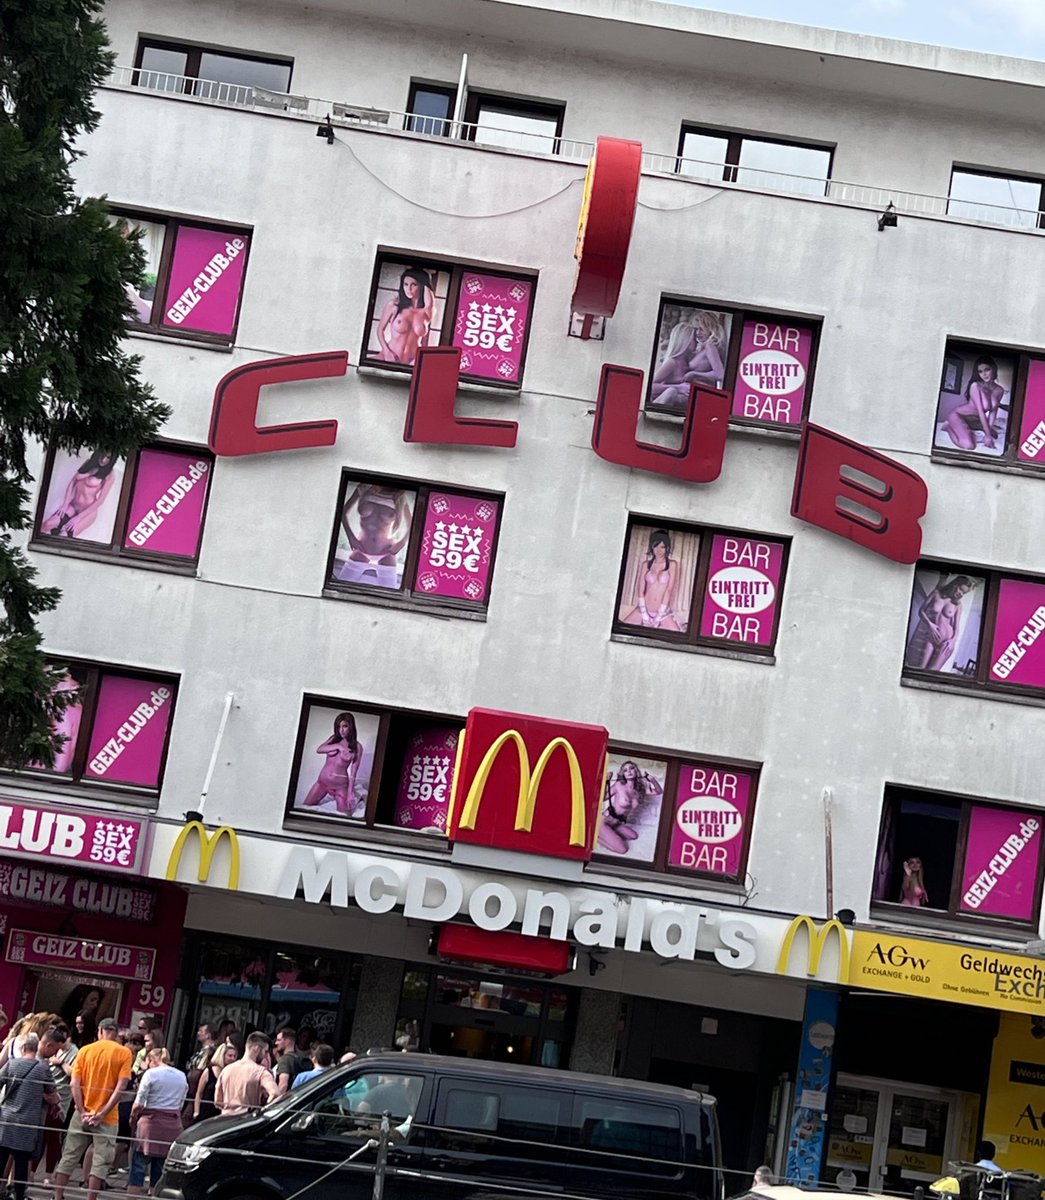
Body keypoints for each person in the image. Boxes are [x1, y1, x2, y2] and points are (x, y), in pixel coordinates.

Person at [52, 1017, 134, 1200]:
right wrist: (103, 1112)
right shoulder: (124, 1053)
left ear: (100, 1031)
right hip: (107, 1116)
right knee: (101, 1162)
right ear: (116, 1033)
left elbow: (74, 1082)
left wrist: (81, 1110)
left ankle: (57, 1196)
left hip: (82, 1112)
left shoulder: (85, 1050)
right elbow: (120, 1087)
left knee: (69, 1156)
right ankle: (91, 1198)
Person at [0, 1034, 58, 1200]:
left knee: (1, 1158)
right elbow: (53, 1095)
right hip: (28, 1121)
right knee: (22, 1161)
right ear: (36, 1047)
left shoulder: (11, 1064)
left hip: (7, 1118)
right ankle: (19, 1194)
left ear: (23, 1048)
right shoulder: (43, 1068)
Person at [128, 1048, 187, 1196]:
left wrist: (133, 1117)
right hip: (172, 1126)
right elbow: (180, 1104)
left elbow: (139, 1103)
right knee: (160, 1170)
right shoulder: (181, 1076)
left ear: (151, 1060)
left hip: (150, 1125)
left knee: (138, 1168)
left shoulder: (151, 1074)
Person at [337, 484, 413, 588]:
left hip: (386, 553)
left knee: (387, 595)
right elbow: (342, 512)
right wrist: (351, 537)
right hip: (361, 549)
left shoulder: (399, 496)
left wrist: (402, 543)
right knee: (340, 588)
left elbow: (413, 524)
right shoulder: (364, 487)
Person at [650, 311, 728, 409]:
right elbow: (652, 386)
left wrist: (694, 374)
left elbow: (720, 374)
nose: (698, 334)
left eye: (701, 329)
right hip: (690, 397)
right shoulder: (678, 360)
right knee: (671, 392)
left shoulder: (710, 347)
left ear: (710, 328)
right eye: (695, 333)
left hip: (701, 397)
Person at [40, 451, 119, 539]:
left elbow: (100, 500)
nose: (104, 460)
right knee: (48, 524)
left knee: (63, 536)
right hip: (74, 505)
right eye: (103, 455)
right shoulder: (89, 463)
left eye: (108, 458)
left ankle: (57, 535)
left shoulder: (109, 474)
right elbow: (72, 482)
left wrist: (78, 517)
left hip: (88, 511)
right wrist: (65, 504)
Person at [905, 575, 974, 673]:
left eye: (964, 593)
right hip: (932, 636)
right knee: (920, 668)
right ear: (955, 584)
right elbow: (921, 611)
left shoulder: (958, 605)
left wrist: (952, 641)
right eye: (961, 590)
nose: (961, 594)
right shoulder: (936, 594)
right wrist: (930, 625)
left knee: (932, 671)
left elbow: (956, 627)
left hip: (946, 643)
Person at [300, 712, 364, 815]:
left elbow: (353, 773)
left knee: (345, 816)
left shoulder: (357, 747)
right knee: (303, 809)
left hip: (340, 786)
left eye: (345, 726)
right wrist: (339, 747)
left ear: (351, 726)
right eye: (339, 727)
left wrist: (350, 793)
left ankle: (358, 798)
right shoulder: (334, 739)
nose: (341, 730)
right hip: (322, 783)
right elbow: (319, 749)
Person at [619, 529, 681, 631]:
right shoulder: (646, 564)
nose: (658, 550)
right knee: (622, 629)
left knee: (677, 634)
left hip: (663, 612)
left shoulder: (672, 564)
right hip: (643, 609)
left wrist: (659, 616)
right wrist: (644, 613)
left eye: (662, 547)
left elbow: (669, 590)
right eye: (655, 546)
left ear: (667, 548)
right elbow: (640, 589)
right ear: (651, 546)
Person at [598, 760, 662, 854]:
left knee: (633, 836)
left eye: (631, 768)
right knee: (623, 849)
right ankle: (594, 836)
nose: (629, 771)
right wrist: (605, 781)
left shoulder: (640, 790)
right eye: (625, 770)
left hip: (617, 822)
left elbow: (659, 791)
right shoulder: (619, 785)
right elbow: (602, 798)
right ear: (623, 774)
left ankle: (608, 832)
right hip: (605, 820)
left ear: (636, 771)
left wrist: (652, 779)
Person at [945, 356, 1005, 451]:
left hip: (975, 420)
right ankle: (948, 427)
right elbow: (981, 412)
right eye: (980, 371)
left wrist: (988, 433)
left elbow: (993, 412)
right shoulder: (975, 386)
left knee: (995, 435)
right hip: (959, 415)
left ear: (993, 368)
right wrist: (988, 435)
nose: (984, 374)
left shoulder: (999, 390)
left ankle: (972, 428)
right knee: (969, 445)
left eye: (987, 370)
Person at [375, 267, 435, 365]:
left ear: (421, 286)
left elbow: (430, 303)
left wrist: (425, 279)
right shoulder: (394, 305)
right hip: (390, 356)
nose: (409, 289)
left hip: (413, 361)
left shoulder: (426, 312)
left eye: (414, 285)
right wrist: (387, 352)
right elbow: (380, 330)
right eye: (405, 284)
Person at [213, 1033, 278, 1116]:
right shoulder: (260, 1072)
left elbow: (217, 1101)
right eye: (265, 1051)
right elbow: (275, 1093)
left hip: (226, 1119)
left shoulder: (226, 1070)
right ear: (257, 1048)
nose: (265, 1056)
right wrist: (263, 1110)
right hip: (247, 1119)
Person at [192, 1042, 238, 1123]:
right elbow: (199, 1093)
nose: (233, 1059)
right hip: (205, 1113)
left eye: (234, 1056)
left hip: (221, 1114)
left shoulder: (232, 1074)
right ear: (222, 1056)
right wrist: (196, 1111)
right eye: (230, 1056)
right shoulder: (209, 1071)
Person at [273, 1027, 312, 1096]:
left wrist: (275, 1101)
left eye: (279, 1040)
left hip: (286, 1099)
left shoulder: (285, 1059)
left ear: (287, 1041)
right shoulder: (298, 1058)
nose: (276, 1043)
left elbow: (283, 1085)